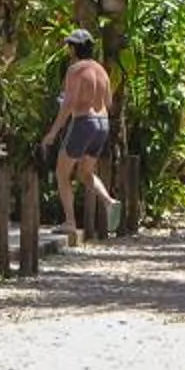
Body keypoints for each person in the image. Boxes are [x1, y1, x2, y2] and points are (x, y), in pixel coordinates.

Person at [40, 32, 117, 243]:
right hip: (103, 124)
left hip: (84, 123)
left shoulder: (75, 70)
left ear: (73, 49)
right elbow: (109, 102)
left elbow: (69, 104)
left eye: (69, 47)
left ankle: (70, 222)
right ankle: (109, 201)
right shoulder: (101, 70)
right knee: (85, 172)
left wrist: (52, 133)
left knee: (62, 172)